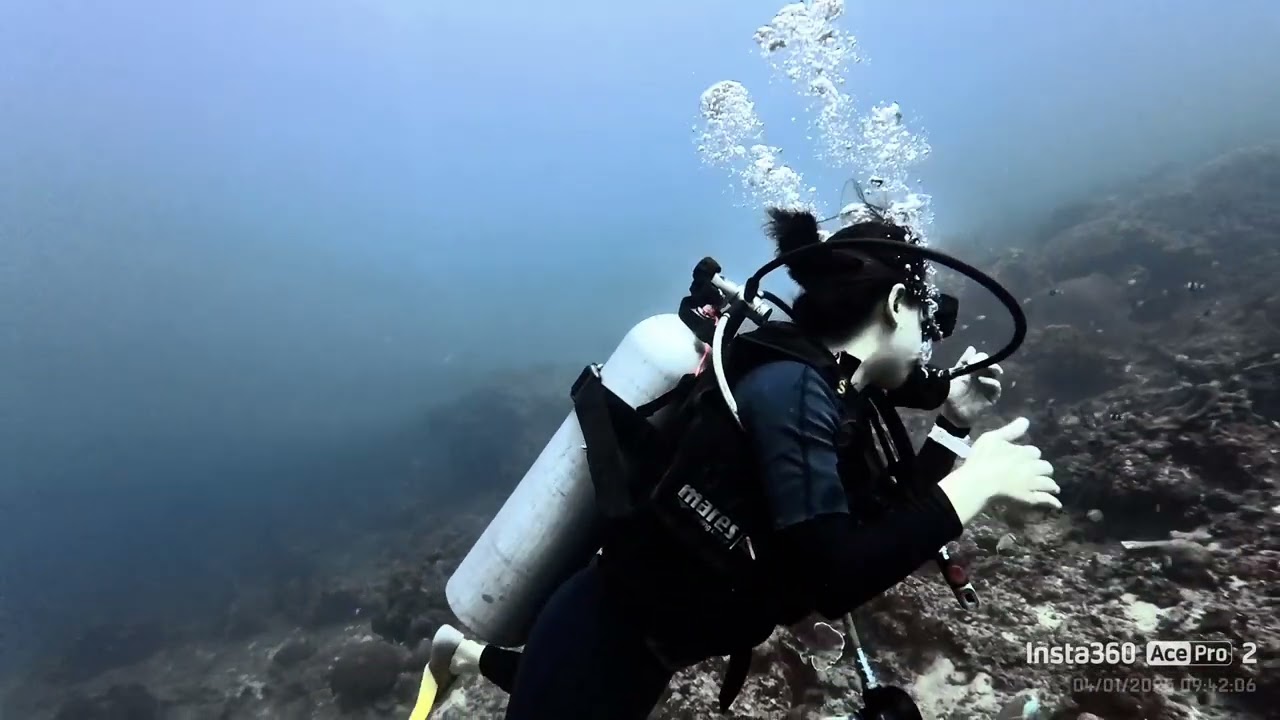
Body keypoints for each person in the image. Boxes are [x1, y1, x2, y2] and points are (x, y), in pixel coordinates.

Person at [423, 207, 1059, 719]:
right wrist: (977, 483)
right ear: (896, 304)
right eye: (930, 317)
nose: (931, 343)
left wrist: (955, 424)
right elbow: (835, 578)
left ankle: (470, 656)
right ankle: (478, 658)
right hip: (602, 642)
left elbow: (884, 522)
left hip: (644, 649)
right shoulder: (793, 390)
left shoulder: (835, 399)